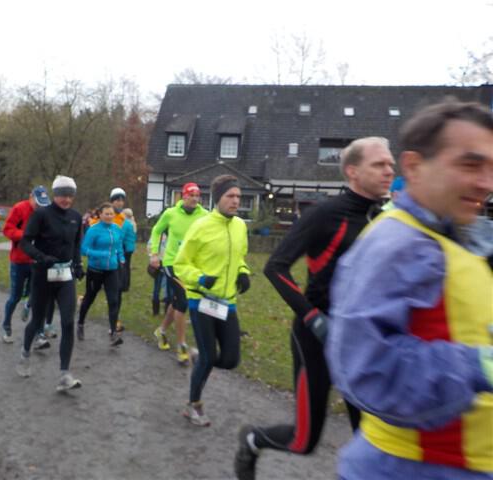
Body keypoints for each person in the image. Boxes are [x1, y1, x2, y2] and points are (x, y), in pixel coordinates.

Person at [326, 101, 493, 479]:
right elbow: (364, 368)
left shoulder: (456, 235)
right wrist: (477, 366)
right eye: (470, 165)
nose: (486, 183)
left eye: (491, 168)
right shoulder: (397, 243)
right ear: (415, 167)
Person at [234, 137, 395, 479]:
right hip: (316, 338)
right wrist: (313, 318)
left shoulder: (385, 220)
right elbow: (276, 267)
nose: (389, 171)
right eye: (379, 164)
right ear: (352, 171)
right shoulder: (325, 215)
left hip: (361, 343)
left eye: (391, 164)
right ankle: (252, 439)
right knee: (304, 440)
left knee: (372, 439)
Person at [174, 174, 251, 426]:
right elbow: (181, 264)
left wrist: (243, 272)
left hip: (227, 302)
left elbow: (239, 257)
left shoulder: (240, 226)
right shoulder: (201, 226)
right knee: (209, 357)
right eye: (230, 196)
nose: (236, 201)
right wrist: (199, 278)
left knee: (231, 359)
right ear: (218, 198)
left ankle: (199, 359)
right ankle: (193, 405)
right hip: (202, 301)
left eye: (238, 196)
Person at [16, 175, 84, 392]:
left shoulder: (75, 217)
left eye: (70, 196)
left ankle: (64, 374)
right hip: (43, 274)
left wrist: (78, 264)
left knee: (67, 322)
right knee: (37, 321)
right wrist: (41, 256)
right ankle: (25, 353)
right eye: (63, 195)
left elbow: (76, 244)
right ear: (55, 195)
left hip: (65, 276)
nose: (66, 200)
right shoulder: (41, 215)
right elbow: (25, 242)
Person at [149, 182, 208, 364]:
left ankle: (161, 331)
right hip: (172, 263)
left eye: (197, 196)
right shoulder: (171, 213)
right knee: (183, 301)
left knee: (176, 302)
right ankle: (182, 345)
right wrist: (154, 254)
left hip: (191, 265)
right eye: (191, 195)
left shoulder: (204, 215)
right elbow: (156, 230)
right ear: (183, 196)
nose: (195, 199)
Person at [0, 185, 50, 343]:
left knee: (38, 297)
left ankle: (39, 332)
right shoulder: (19, 208)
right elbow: (7, 230)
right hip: (19, 260)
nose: (40, 207)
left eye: (43, 204)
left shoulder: (47, 212)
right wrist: (27, 235)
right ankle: (6, 325)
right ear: (31, 197)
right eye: (38, 203)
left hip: (38, 261)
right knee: (15, 296)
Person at [78, 202, 125, 346]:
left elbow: (119, 246)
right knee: (89, 298)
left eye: (112, 214)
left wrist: (121, 258)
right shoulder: (93, 230)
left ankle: (113, 333)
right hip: (95, 270)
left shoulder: (116, 228)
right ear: (100, 215)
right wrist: (100, 254)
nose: (110, 216)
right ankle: (80, 323)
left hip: (112, 270)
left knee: (114, 300)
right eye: (107, 214)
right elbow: (84, 249)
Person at [121, 207, 137, 291]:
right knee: (127, 266)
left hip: (125, 247)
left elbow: (122, 235)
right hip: (131, 247)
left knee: (124, 266)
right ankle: (127, 284)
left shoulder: (126, 223)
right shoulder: (133, 223)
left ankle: (123, 285)